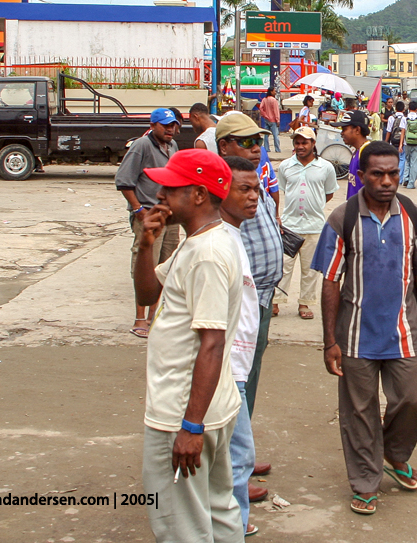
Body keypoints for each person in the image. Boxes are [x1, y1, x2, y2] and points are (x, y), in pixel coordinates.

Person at [312, 141, 417, 516]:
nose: (387, 181)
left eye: (392, 173)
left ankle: (394, 453)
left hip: (403, 332)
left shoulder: (413, 215)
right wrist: (329, 341)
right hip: (354, 335)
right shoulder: (343, 219)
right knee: (359, 411)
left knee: (410, 400)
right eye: (377, 174)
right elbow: (330, 281)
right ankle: (365, 482)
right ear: (361, 176)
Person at [133, 149, 243, 543]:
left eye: (170, 187)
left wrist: (190, 427)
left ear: (198, 194)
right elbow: (148, 291)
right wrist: (146, 243)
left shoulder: (207, 255)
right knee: (216, 508)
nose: (160, 193)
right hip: (205, 407)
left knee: (180, 524)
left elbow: (212, 344)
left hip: (184, 409)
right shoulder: (195, 243)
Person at [214, 113, 282, 499]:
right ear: (224, 146)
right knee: (233, 379)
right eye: (245, 141)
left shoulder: (257, 177)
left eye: (257, 140)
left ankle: (241, 446)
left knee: (249, 377)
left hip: (262, 297)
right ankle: (230, 467)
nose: (255, 146)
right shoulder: (220, 184)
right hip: (235, 300)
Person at [217, 156, 264, 536]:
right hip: (226, 367)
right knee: (237, 455)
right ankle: (233, 525)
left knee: (234, 453)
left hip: (237, 362)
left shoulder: (233, 235)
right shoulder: (217, 245)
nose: (254, 197)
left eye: (256, 188)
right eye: (244, 189)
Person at [116, 107, 181, 339]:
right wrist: (138, 209)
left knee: (166, 265)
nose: (171, 130)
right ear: (153, 126)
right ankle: (140, 317)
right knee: (146, 265)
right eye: (166, 126)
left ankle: (155, 313)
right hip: (149, 213)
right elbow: (124, 181)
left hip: (170, 214)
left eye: (173, 125)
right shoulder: (142, 146)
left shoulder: (172, 147)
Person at [275, 126, 338, 320]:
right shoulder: (285, 166)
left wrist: (314, 205)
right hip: (289, 226)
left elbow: (329, 193)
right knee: (283, 266)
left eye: (304, 142)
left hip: (315, 226)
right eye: (297, 142)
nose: (300, 146)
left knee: (310, 270)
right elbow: (283, 190)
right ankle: (275, 301)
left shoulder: (326, 167)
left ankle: (305, 304)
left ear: (313, 144)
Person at [337, 110, 371, 200]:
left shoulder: (367, 153)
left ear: (357, 130)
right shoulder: (357, 151)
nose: (342, 133)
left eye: (344, 129)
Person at [399, 102, 417, 190]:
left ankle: (406, 178)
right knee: (414, 163)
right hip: (416, 143)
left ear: (408, 108)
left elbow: (403, 131)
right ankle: (411, 183)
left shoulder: (405, 118)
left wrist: (401, 144)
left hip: (407, 143)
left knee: (407, 161)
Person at [259, 87, 282, 153]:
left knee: (266, 135)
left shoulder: (264, 99)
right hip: (273, 120)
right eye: (274, 91)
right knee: (275, 135)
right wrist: (277, 120)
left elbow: (261, 108)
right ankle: (277, 149)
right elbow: (276, 111)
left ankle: (266, 148)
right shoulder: (273, 100)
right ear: (271, 92)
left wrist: (265, 115)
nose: (275, 92)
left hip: (266, 119)